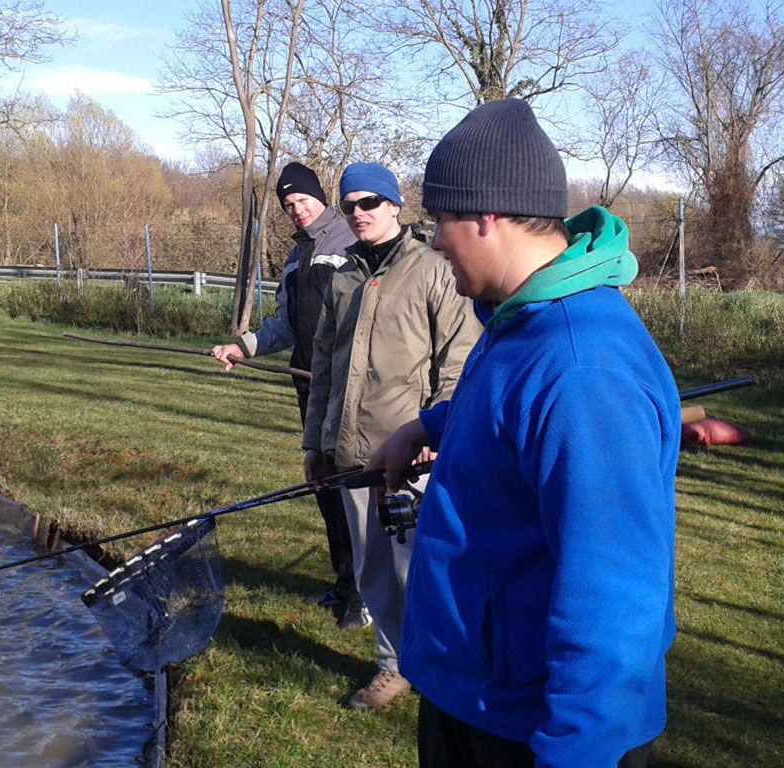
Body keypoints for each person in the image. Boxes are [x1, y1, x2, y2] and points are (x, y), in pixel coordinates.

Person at [366, 99, 681, 767]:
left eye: (437, 222)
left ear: (483, 216)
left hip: (531, 731)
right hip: (472, 698)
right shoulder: (521, 321)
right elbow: (511, 412)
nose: (432, 241)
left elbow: (615, 596)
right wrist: (427, 424)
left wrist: (576, 754)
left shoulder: (580, 366)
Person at [302, 161, 480, 711]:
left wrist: (434, 428)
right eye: (349, 205)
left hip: (415, 453)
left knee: (426, 567)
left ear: (394, 206)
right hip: (353, 451)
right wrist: (315, 443)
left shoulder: (434, 269)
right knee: (374, 567)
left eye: (369, 203)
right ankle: (393, 665)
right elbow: (323, 368)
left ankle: (449, 662)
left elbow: (459, 358)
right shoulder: (342, 277)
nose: (358, 213)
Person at [210, 161, 367, 629]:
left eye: (302, 199)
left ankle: (364, 592)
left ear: (320, 197)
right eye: (288, 204)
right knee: (323, 487)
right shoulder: (296, 259)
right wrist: (242, 348)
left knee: (352, 489)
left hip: (348, 391)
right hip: (309, 386)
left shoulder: (350, 247)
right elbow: (283, 326)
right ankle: (344, 581)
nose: (297, 210)